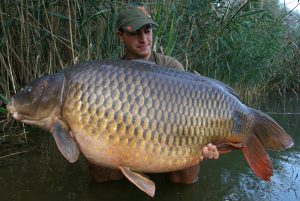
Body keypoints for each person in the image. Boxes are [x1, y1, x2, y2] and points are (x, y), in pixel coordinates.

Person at [88, 4, 219, 185]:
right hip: (129, 140)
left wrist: (207, 141)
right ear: (121, 36)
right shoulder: (110, 74)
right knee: (101, 174)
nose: (144, 39)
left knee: (186, 177)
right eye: (135, 33)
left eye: (147, 31)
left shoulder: (171, 67)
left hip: (170, 140)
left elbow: (191, 115)